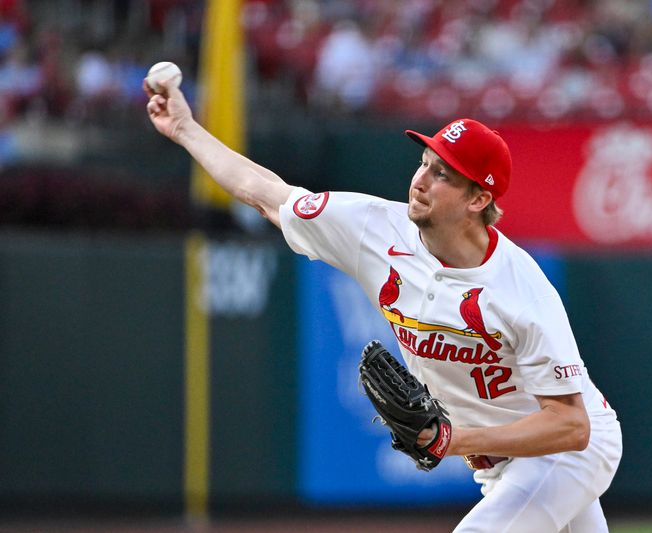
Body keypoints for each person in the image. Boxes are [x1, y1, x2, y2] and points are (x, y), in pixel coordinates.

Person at [144, 76, 622, 533]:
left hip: (569, 453)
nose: (421, 180)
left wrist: (454, 440)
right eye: (425, 162)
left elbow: (571, 426)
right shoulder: (374, 228)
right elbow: (267, 194)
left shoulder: (522, 289)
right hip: (499, 467)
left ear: (479, 198)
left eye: (443, 175)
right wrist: (186, 129)